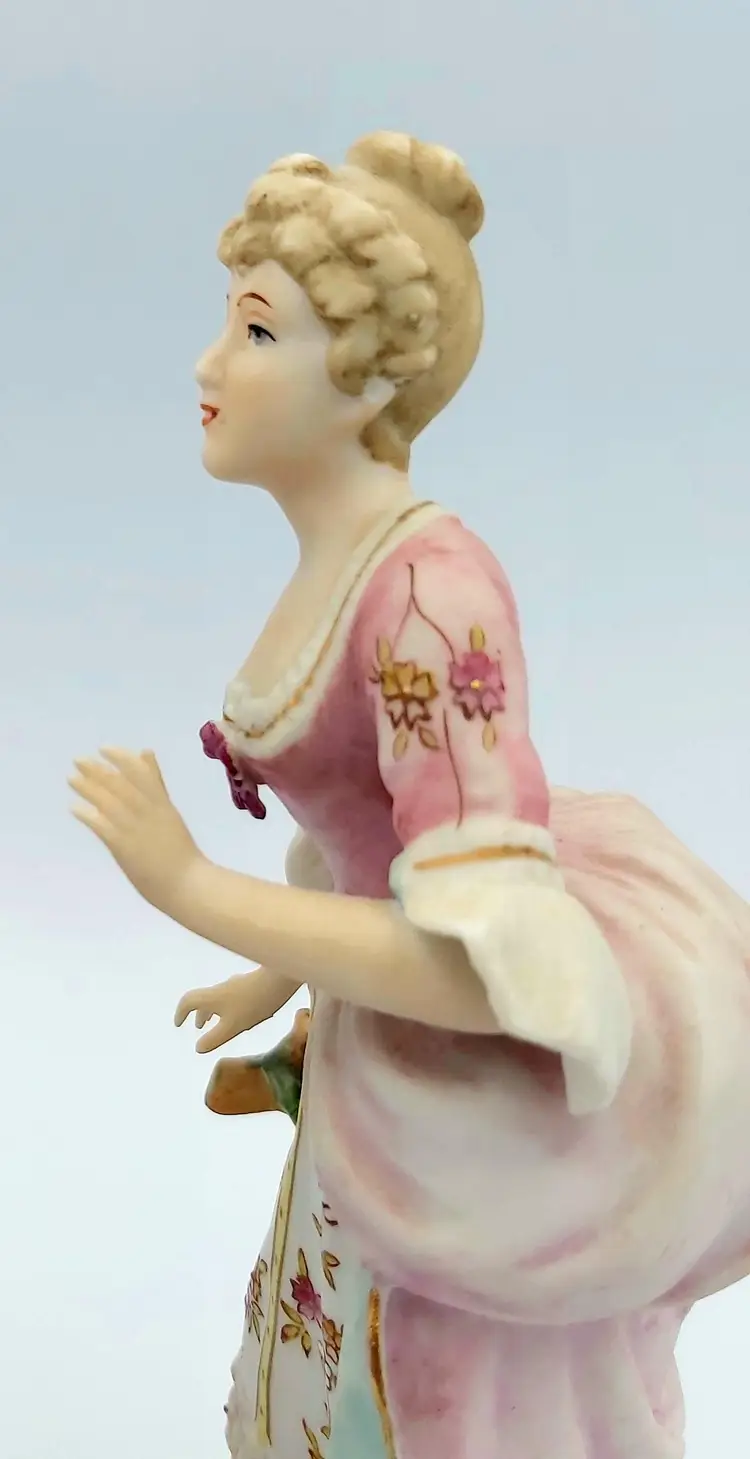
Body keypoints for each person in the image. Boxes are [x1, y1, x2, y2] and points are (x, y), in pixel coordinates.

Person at [69, 131, 750, 1459]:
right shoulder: (345, 556)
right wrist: (276, 974)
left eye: (256, 332)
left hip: (463, 1107)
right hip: (374, 1053)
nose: (210, 367)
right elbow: (361, 834)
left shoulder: (433, 605)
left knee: (441, 1388)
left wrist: (192, 887)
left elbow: (482, 971)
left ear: (369, 373)